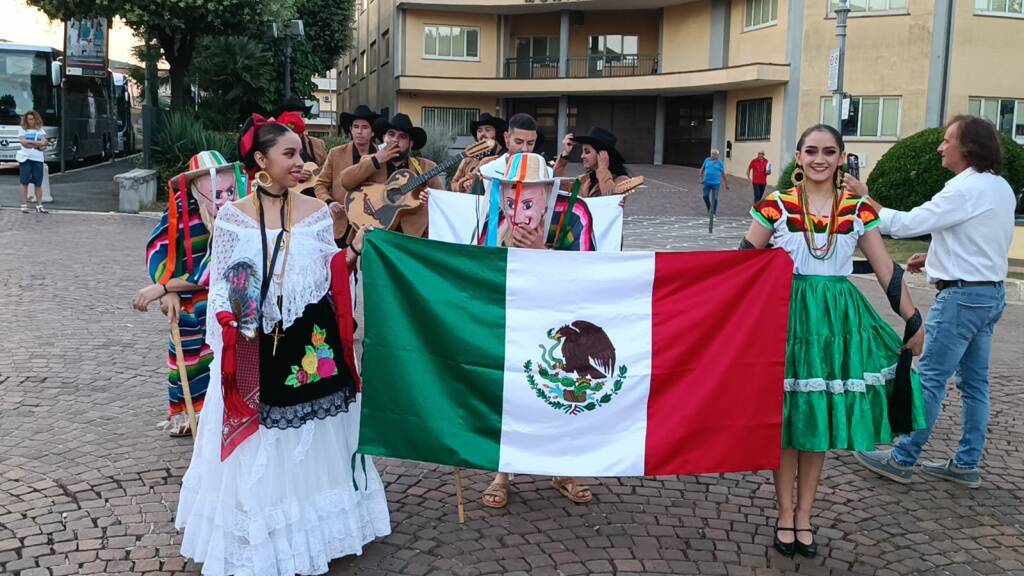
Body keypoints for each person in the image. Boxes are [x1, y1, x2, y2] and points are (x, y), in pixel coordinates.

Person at [175, 116, 390, 575]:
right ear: (261, 160)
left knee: (307, 446)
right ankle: (260, 534)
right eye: (289, 154)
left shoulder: (314, 213)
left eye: (301, 154)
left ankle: (318, 533)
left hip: (307, 348)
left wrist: (353, 251)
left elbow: (328, 275)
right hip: (252, 345)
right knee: (261, 444)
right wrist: (234, 324)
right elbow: (224, 285)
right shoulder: (234, 218)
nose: (301, 162)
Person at [742, 124, 926, 560]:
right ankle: (784, 514)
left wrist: (913, 318)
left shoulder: (857, 208)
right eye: (810, 151)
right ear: (799, 156)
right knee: (789, 419)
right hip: (788, 316)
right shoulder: (776, 205)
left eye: (828, 151)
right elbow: (743, 262)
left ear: (841, 157)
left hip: (837, 320)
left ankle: (805, 515)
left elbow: (887, 270)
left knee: (818, 419)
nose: (819, 159)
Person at [853, 115, 1015, 489]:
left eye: (947, 140)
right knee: (975, 384)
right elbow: (979, 236)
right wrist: (936, 258)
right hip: (989, 294)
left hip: (961, 299)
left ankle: (903, 457)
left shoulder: (962, 189)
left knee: (929, 380)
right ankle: (966, 462)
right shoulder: (1000, 187)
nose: (941, 147)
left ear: (968, 148)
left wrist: (865, 197)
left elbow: (905, 224)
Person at [479, 152, 596, 508]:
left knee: (559, 391)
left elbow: (592, 273)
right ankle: (502, 471)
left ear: (547, 191)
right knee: (507, 391)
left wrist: (542, 252)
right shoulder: (496, 217)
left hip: (561, 323)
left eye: (527, 198)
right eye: (511, 197)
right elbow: (478, 270)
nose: (517, 208)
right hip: (511, 317)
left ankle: (563, 468)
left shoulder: (575, 213)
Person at [132, 151, 247, 436]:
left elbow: (217, 267)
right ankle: (189, 413)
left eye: (229, 191)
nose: (225, 200)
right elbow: (158, 249)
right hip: (187, 302)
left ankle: (222, 411)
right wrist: (165, 285)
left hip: (228, 299)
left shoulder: (241, 215)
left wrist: (164, 287)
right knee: (186, 356)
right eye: (217, 194)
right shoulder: (181, 210)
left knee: (223, 356)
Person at [338, 113, 444, 237]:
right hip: (375, 234)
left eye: (402, 136)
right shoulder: (370, 160)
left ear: (411, 144)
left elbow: (441, 202)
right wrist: (377, 159)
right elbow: (345, 181)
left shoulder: (426, 167)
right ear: (384, 138)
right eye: (391, 134)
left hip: (412, 236)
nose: (395, 140)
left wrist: (429, 200)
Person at [314, 104, 381, 246]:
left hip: (373, 222)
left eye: (364, 127)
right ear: (350, 130)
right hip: (342, 222)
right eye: (356, 127)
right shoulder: (336, 153)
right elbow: (320, 184)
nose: (359, 131)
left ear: (372, 132)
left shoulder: (381, 157)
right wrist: (329, 202)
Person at [553, 127, 631, 197]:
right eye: (582, 152)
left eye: (587, 152)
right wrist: (565, 154)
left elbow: (610, 199)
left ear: (603, 154)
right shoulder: (583, 179)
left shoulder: (622, 180)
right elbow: (558, 187)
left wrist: (603, 169)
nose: (582, 156)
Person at [274, 96, 328, 187]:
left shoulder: (318, 144)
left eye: (302, 116)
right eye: (295, 116)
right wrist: (293, 173)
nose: (300, 120)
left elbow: (327, 172)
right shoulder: (274, 145)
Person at [450, 113, 507, 193]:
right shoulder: (468, 159)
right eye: (479, 131)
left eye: (487, 130)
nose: (483, 134)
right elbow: (453, 183)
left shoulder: (505, 157)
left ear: (496, 133)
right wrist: (463, 185)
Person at [17, 110, 48, 214]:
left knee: (38, 183)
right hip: (26, 158)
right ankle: (24, 205)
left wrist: (32, 142)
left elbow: (44, 143)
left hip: (38, 159)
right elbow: (24, 143)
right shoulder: (22, 129)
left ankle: (39, 205)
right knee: (24, 181)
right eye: (29, 119)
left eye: (33, 119)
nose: (31, 121)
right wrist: (37, 144)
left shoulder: (40, 130)